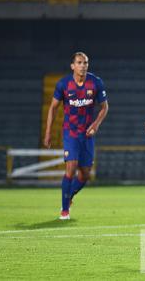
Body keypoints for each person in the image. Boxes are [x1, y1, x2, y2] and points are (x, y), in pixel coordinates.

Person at [44, 52, 109, 220]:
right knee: (71, 168)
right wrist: (48, 132)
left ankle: (69, 195)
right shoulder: (64, 84)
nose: (83, 65)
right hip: (71, 133)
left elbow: (104, 107)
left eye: (85, 62)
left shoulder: (95, 83)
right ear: (72, 66)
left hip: (87, 135)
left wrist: (95, 125)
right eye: (79, 62)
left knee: (85, 174)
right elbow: (53, 108)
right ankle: (64, 209)